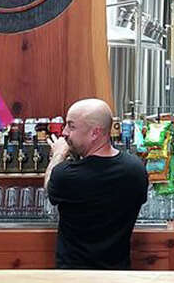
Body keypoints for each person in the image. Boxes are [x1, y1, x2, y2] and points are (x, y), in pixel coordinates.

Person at [44, 98, 148, 270]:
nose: (64, 132)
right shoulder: (136, 169)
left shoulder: (66, 175)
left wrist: (58, 154)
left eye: (71, 126)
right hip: (117, 277)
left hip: (73, 278)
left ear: (95, 133)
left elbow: (49, 187)